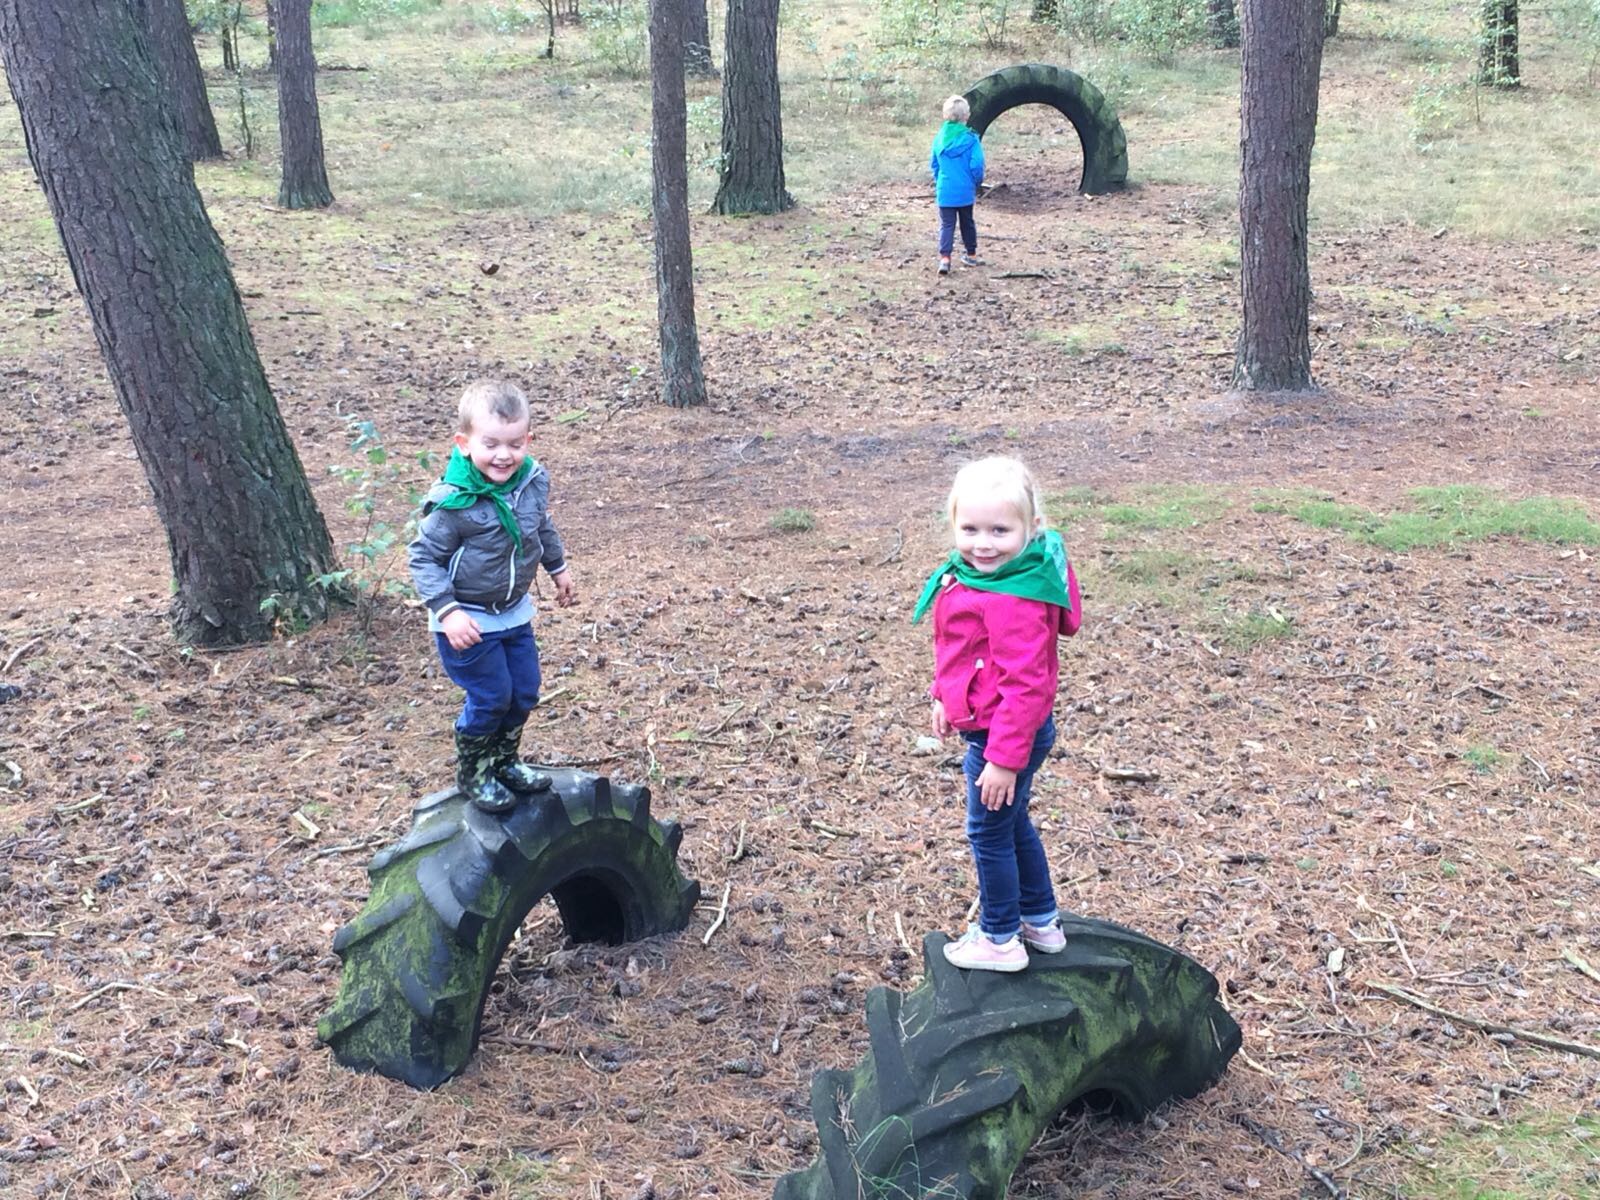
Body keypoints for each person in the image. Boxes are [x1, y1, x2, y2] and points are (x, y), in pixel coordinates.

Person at [912, 456, 1082, 971]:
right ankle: (1040, 919)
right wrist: (946, 696)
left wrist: (1005, 759)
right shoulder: (988, 575)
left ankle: (1000, 937)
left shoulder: (1013, 597)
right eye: (970, 529)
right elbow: (965, 650)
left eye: (1000, 531)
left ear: (1031, 529)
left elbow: (1026, 685)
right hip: (998, 725)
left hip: (1005, 736)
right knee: (1009, 822)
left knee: (987, 831)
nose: (983, 543)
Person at [407, 379, 576, 812]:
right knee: (492, 695)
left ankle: (504, 761)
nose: (504, 455)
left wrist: (557, 568)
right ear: (464, 444)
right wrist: (447, 612)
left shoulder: (530, 482)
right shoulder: (454, 503)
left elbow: (540, 526)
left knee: (524, 692)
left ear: (528, 440)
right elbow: (423, 558)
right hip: (467, 620)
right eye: (492, 444)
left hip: (513, 614)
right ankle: (474, 771)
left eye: (515, 444)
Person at [929, 94, 986, 276]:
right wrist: (976, 181)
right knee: (967, 222)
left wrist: (939, 181)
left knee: (947, 225)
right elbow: (977, 164)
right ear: (966, 116)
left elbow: (934, 164)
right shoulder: (971, 139)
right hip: (965, 190)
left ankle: (945, 259)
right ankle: (971, 254)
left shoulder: (939, 139)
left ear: (946, 115)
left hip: (945, 189)